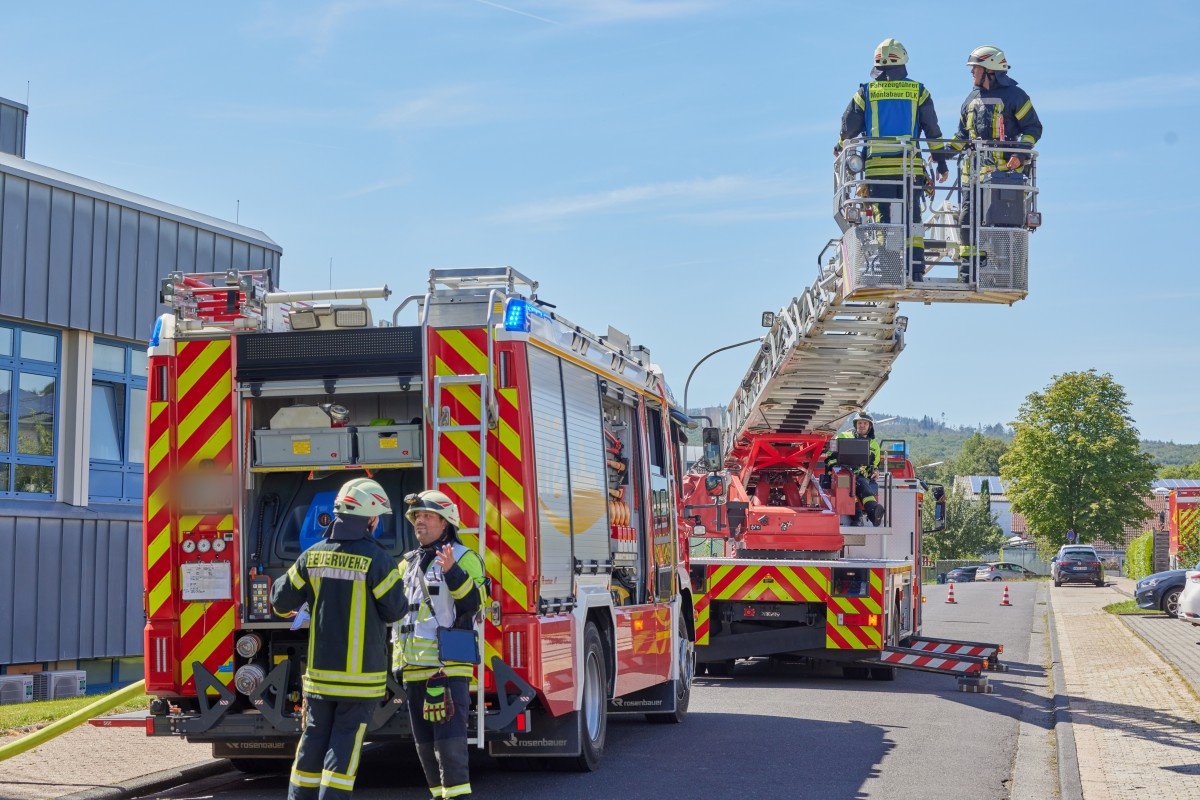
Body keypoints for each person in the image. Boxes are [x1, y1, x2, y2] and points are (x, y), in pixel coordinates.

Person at [271, 478, 407, 800]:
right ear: (371, 519)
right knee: (345, 743)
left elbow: (279, 600)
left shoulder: (312, 556)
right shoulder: (378, 560)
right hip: (360, 678)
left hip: (320, 677)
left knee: (313, 738)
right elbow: (395, 611)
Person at [393, 490, 486, 800]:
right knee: (425, 748)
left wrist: (452, 572)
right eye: (416, 516)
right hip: (413, 669)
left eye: (427, 516)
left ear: (446, 523)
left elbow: (475, 603)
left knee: (449, 747)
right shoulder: (406, 563)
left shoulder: (463, 558)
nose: (420, 521)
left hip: (446, 669)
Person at [838, 38, 950, 282]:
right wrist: (941, 162)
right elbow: (933, 130)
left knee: (885, 221)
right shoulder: (919, 91)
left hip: (878, 170)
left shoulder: (866, 92)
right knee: (913, 220)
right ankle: (916, 270)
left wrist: (839, 146)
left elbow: (849, 129)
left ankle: (890, 272)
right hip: (910, 170)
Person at [950, 45, 1043, 282]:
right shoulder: (970, 100)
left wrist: (1021, 154)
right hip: (972, 178)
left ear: (989, 70)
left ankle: (1002, 274)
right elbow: (962, 136)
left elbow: (1033, 128)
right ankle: (968, 272)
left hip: (1005, 179)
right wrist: (942, 155)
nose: (971, 73)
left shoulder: (1016, 97)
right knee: (967, 221)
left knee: (999, 227)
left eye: (975, 68)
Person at [824, 411, 885, 526]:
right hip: (842, 475)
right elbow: (830, 456)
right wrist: (837, 467)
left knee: (860, 485)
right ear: (855, 424)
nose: (861, 425)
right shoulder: (842, 437)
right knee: (849, 484)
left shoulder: (874, 445)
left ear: (870, 426)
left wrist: (876, 471)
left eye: (865, 423)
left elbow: (875, 465)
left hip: (862, 477)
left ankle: (866, 515)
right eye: (860, 423)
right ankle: (866, 514)